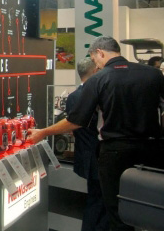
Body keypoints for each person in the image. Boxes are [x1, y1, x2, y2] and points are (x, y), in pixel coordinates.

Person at [27, 36, 164, 231]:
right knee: (152, 206)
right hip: (152, 151)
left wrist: (43, 132)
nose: (96, 65)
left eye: (94, 59)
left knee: (116, 211)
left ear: (100, 53)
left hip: (115, 153)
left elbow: (76, 120)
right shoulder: (153, 74)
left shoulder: (99, 79)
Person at [66, 57, 107, 230]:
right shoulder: (97, 96)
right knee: (99, 203)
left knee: (95, 200)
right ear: (96, 71)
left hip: (85, 156)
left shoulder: (72, 97)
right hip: (99, 157)